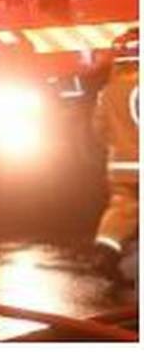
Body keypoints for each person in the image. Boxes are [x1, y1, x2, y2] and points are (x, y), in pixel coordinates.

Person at [92, 26, 139, 283]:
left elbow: (98, 130)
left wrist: (117, 148)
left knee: (122, 209)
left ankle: (105, 251)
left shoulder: (108, 91)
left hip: (121, 166)